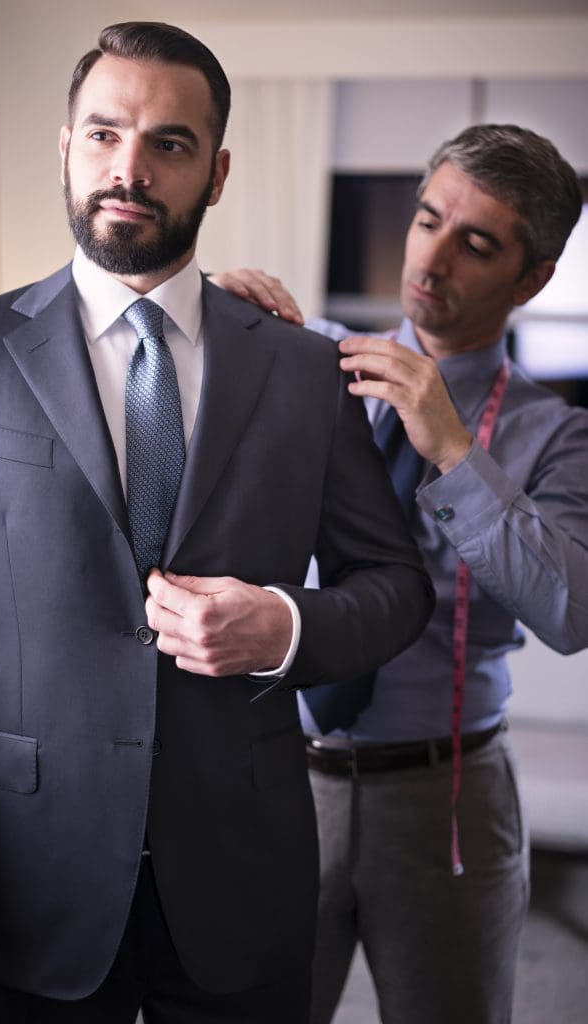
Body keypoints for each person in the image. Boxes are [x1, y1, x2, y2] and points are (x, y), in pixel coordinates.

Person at [0, 22, 434, 1024]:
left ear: (217, 170)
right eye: (103, 135)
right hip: (24, 880)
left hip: (245, 874)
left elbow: (396, 588)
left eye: (169, 144)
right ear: (65, 148)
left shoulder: (298, 369)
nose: (129, 169)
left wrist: (283, 625)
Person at [215, 124, 588, 1024]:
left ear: (529, 279)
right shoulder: (307, 358)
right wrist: (204, 322)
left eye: (477, 243)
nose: (432, 257)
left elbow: (571, 613)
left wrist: (455, 452)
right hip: (279, 782)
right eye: (427, 220)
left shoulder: (554, 435)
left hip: (445, 800)